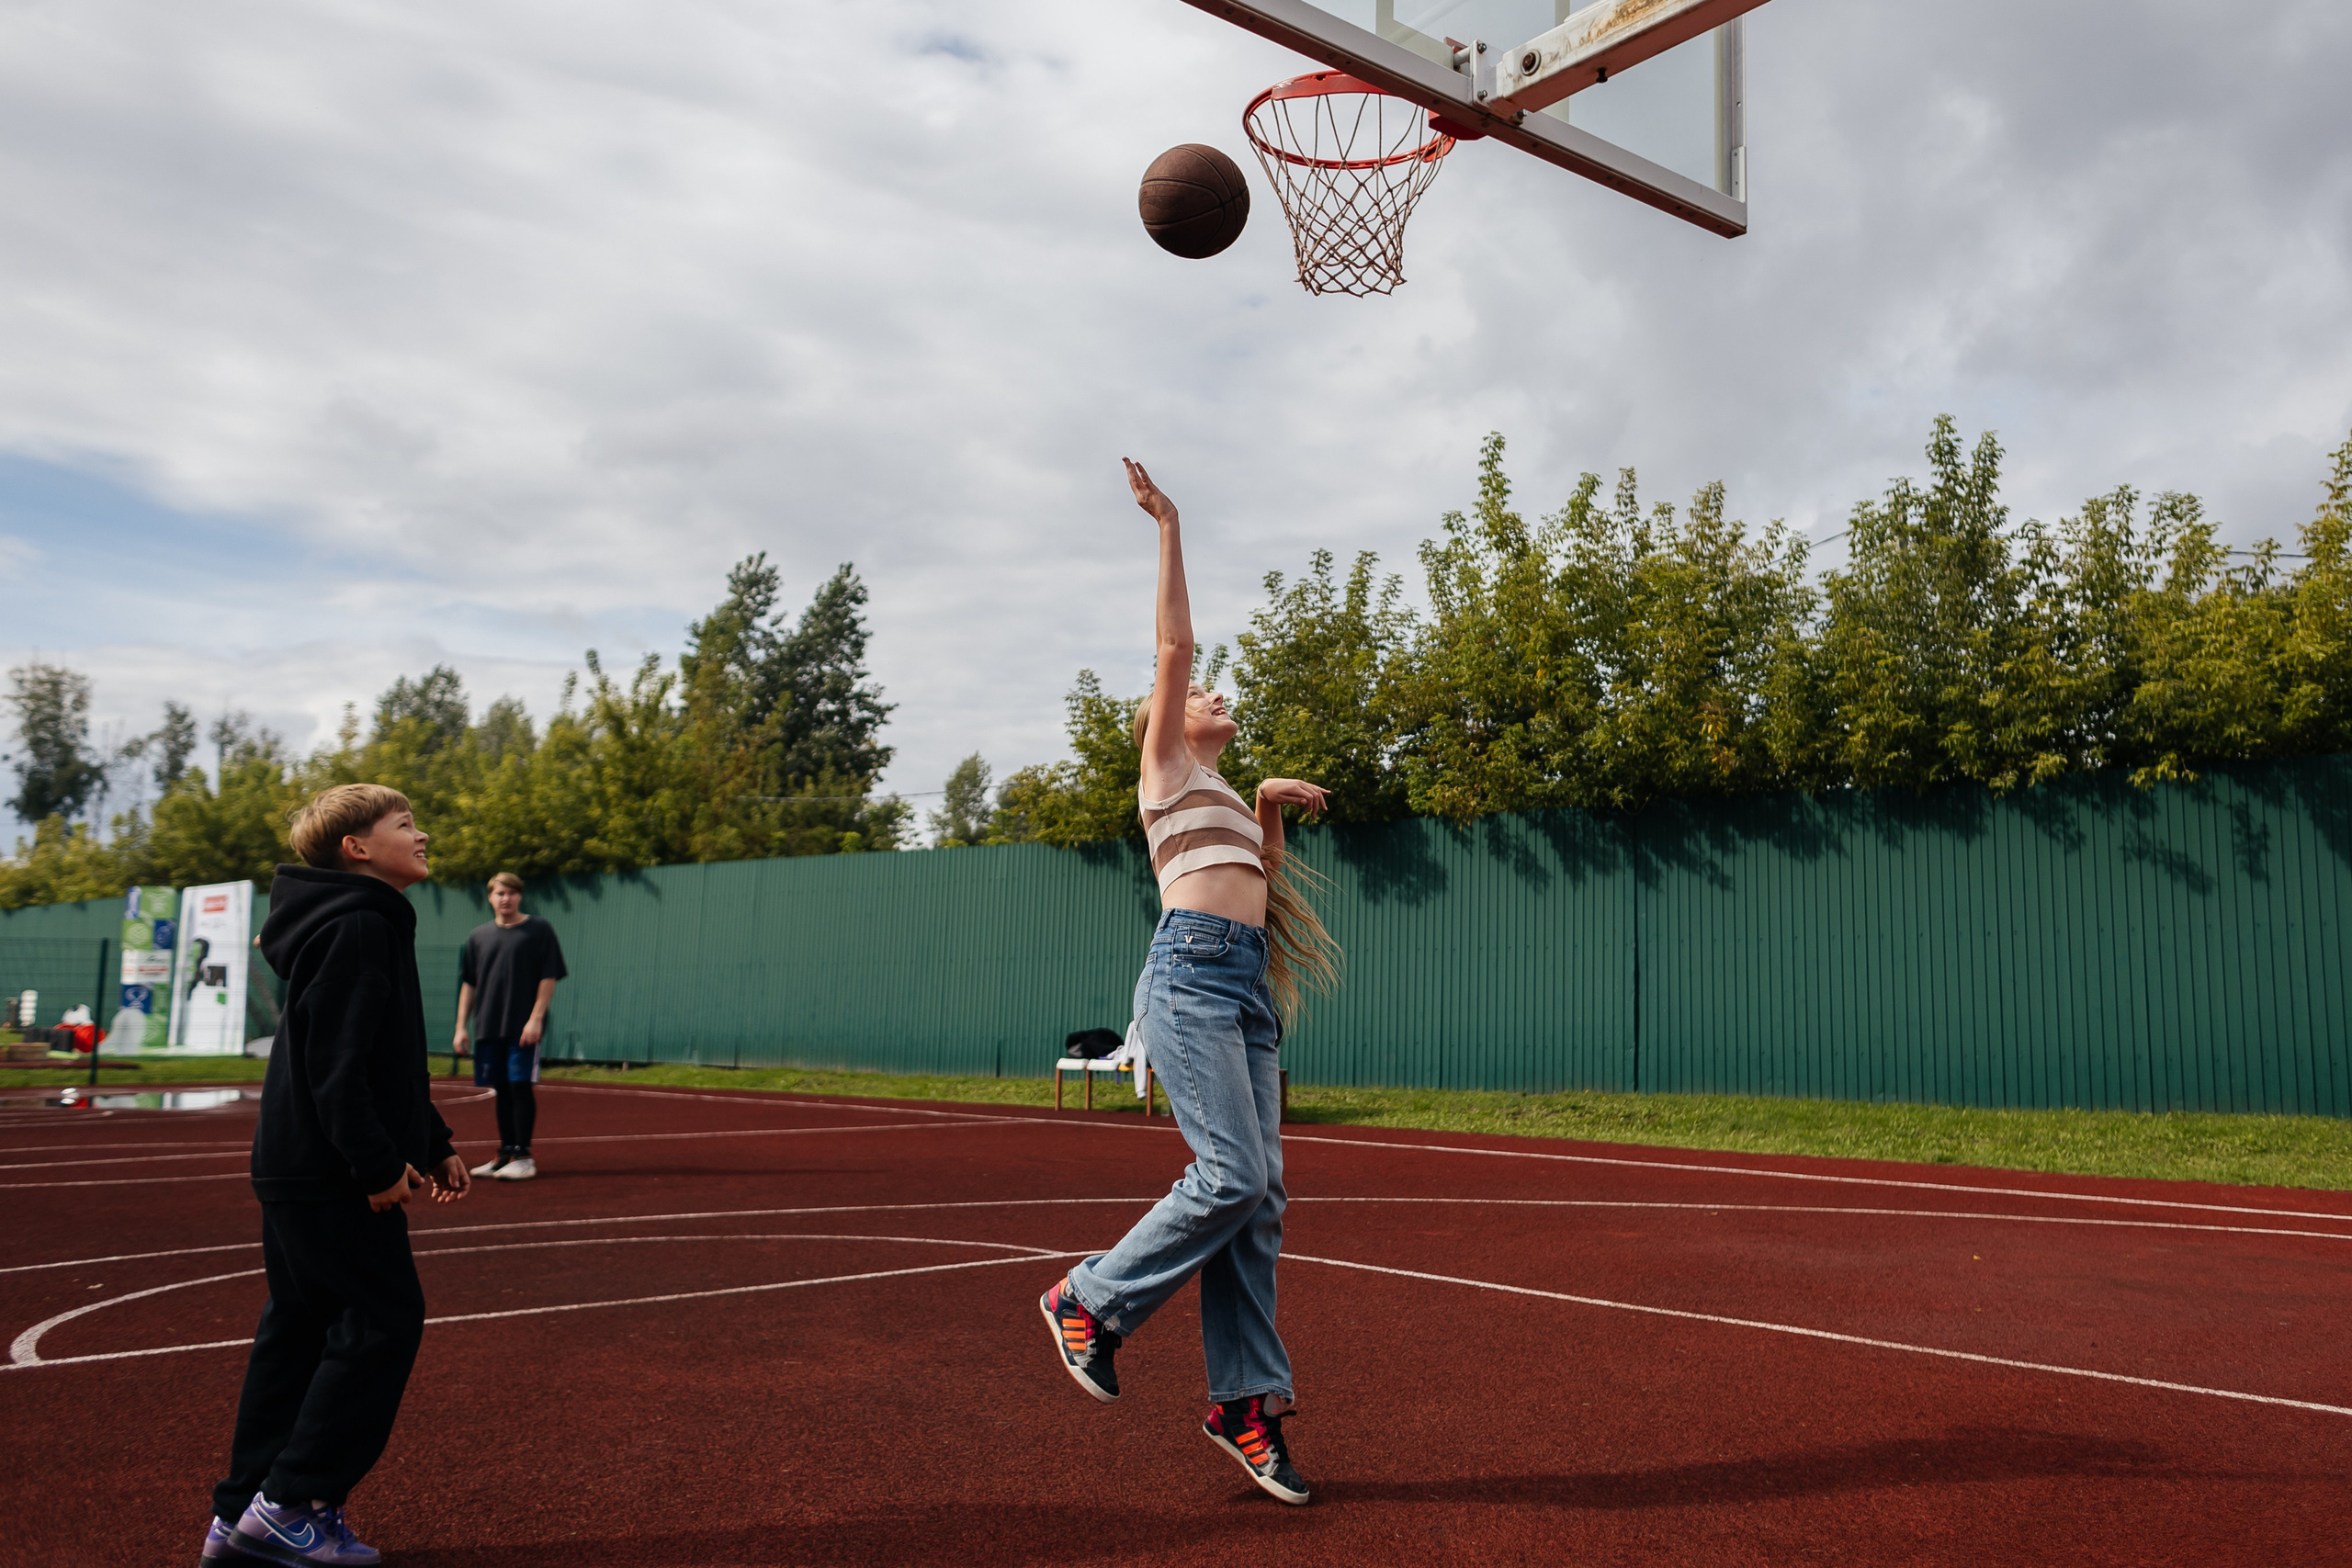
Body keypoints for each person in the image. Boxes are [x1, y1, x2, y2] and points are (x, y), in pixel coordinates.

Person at [1038, 458, 1340, 1506]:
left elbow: (1250, 881)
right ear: (1160, 722)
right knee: (1228, 1178)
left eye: (1212, 698)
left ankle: (1244, 1406)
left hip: (1241, 987)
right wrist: (1169, 522)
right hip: (1190, 981)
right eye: (1197, 697)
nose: (1213, 694)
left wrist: (1261, 800)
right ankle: (1088, 1299)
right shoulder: (1163, 765)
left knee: (1259, 1203)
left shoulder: (1212, 788)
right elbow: (1174, 645)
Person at [202, 784, 469, 1567]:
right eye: (405, 823)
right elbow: (336, 1066)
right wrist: (379, 1164)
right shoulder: (358, 925)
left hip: (297, 1164)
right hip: (330, 1170)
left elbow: (382, 1052)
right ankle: (291, 1503)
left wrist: (432, 1136)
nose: (421, 835)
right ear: (357, 847)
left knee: (300, 1331)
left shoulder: (355, 921)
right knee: (384, 1320)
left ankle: (240, 1514)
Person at [452, 871, 567, 1181]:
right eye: (499, 893)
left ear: (520, 896)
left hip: (523, 1026)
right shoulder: (478, 936)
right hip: (488, 1026)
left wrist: (536, 1018)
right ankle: (504, 1153)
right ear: (490, 897)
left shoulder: (538, 929)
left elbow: (549, 975)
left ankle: (524, 1156)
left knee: (519, 1086)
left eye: (512, 893)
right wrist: (461, 1026)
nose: (506, 899)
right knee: (500, 1089)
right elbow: (470, 985)